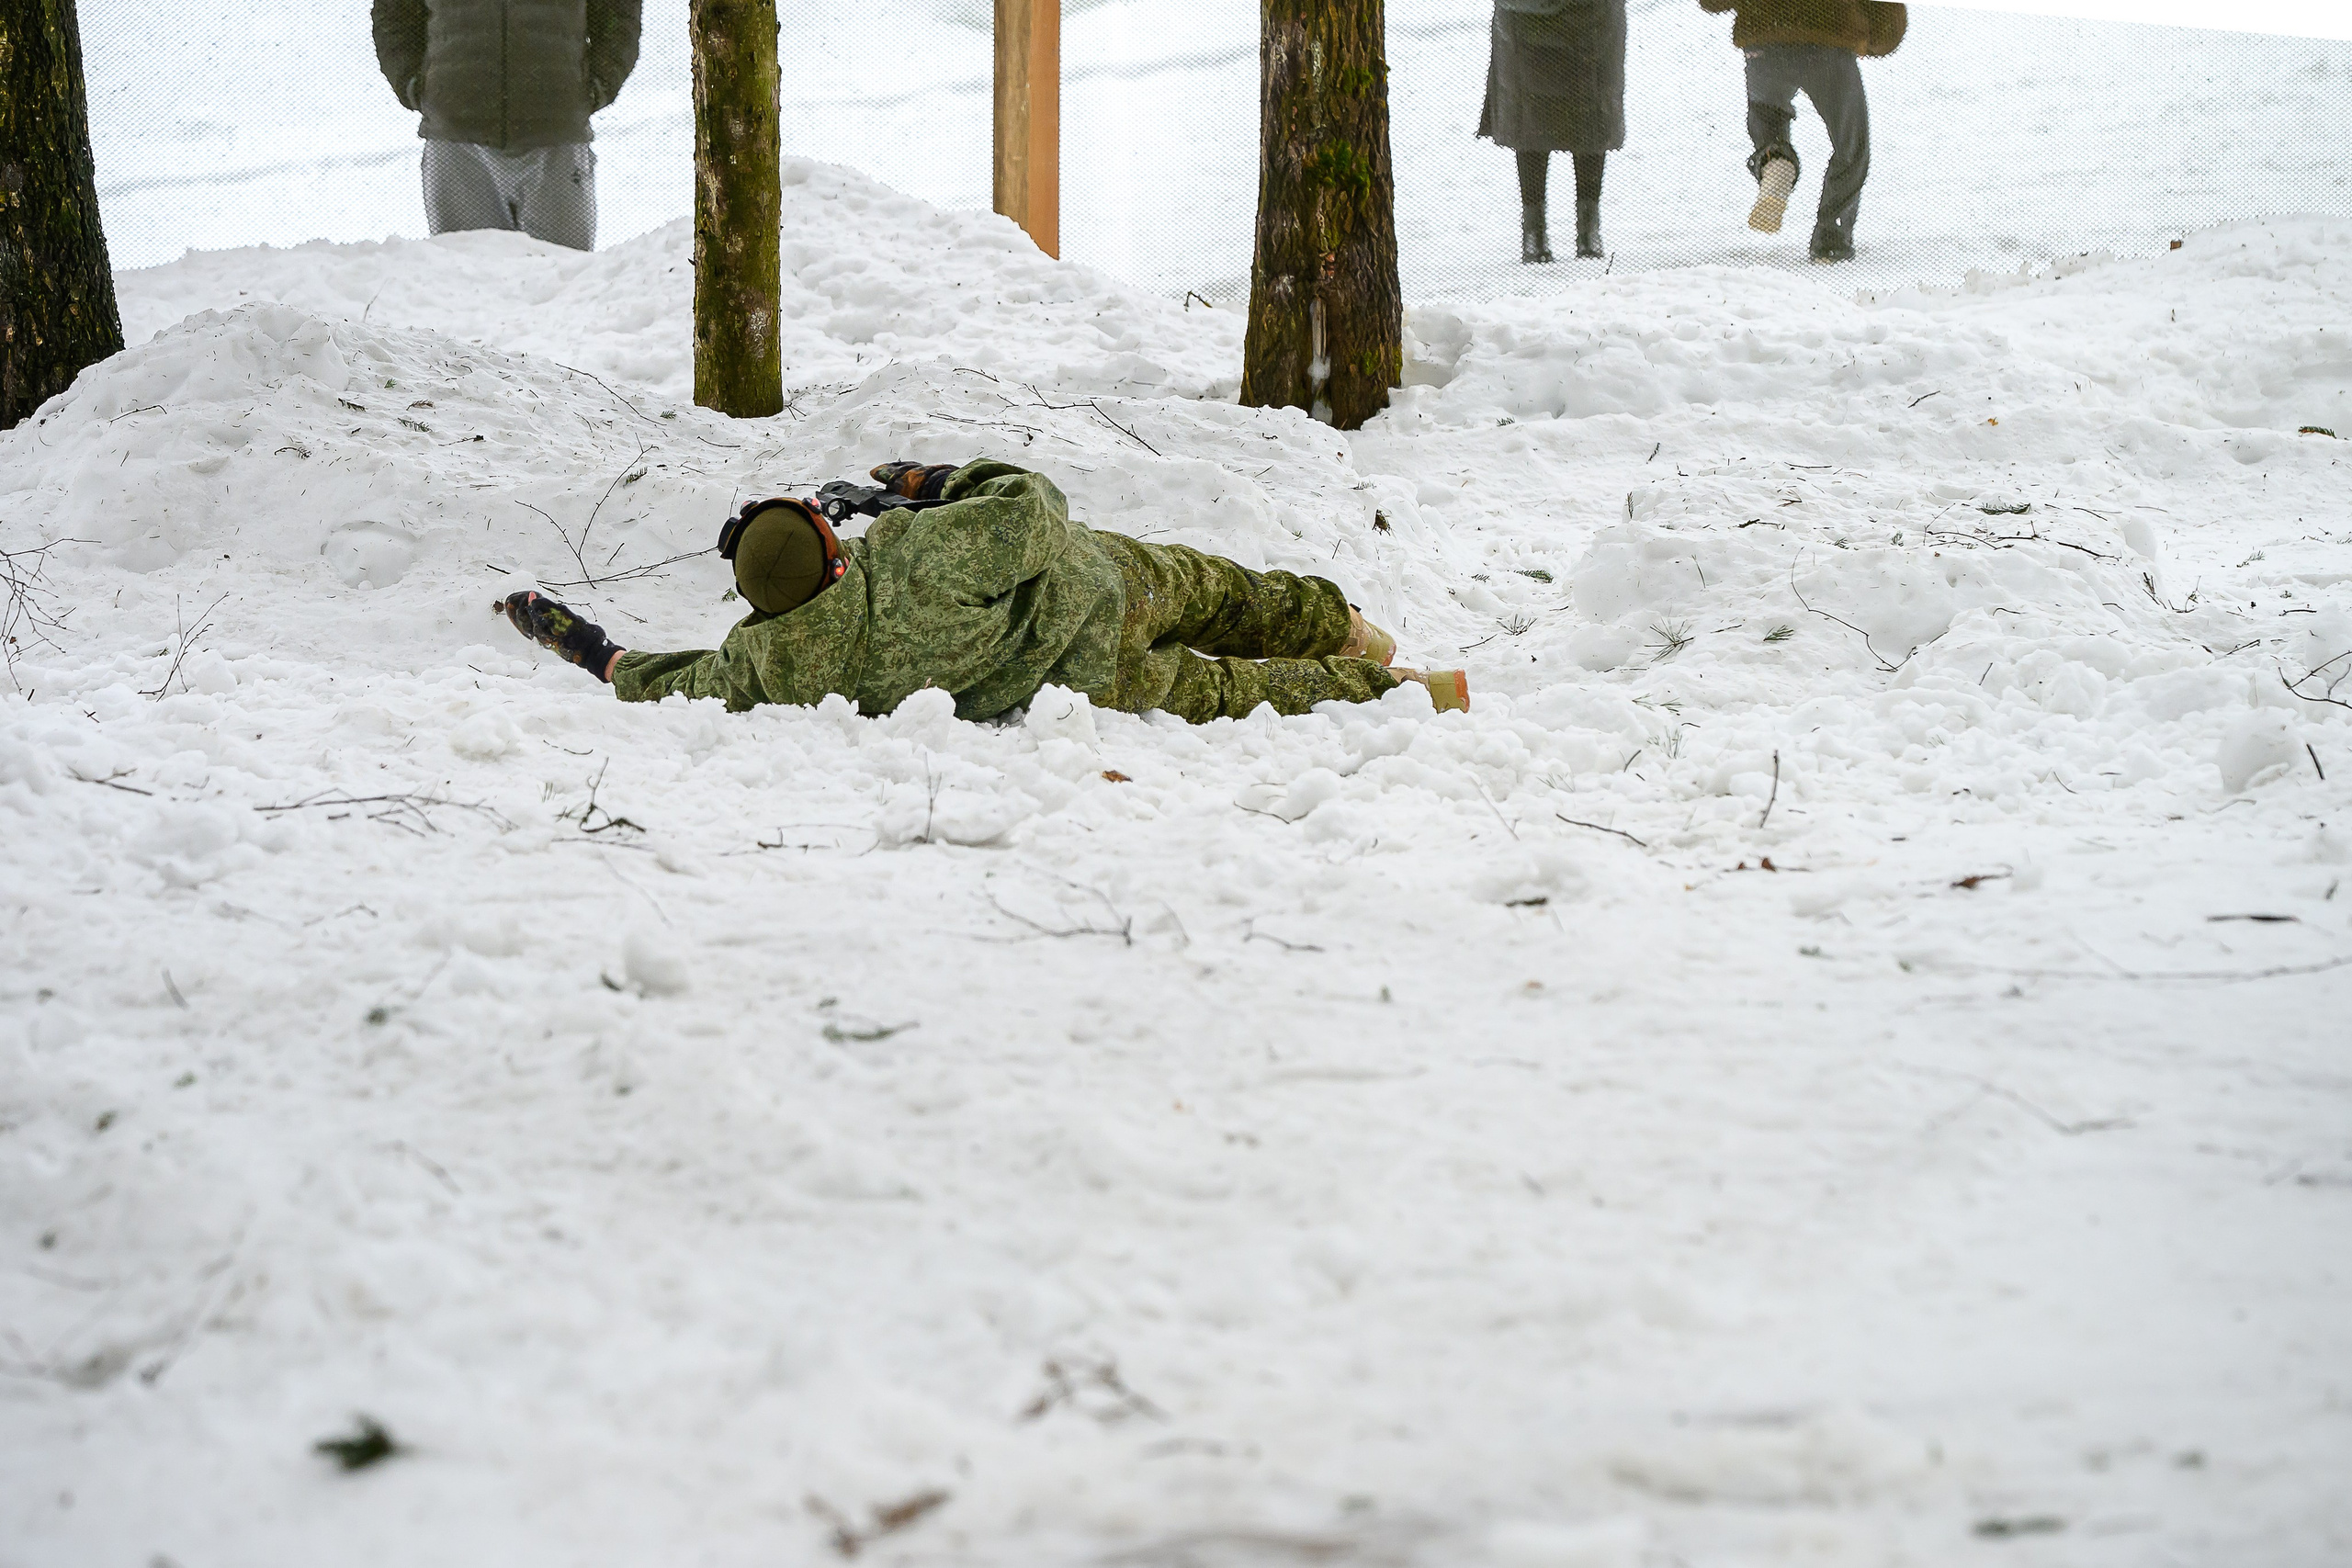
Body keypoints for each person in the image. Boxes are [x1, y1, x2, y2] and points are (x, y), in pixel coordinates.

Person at [495, 461, 1471, 724]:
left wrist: (588, 649)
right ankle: (1349, 630)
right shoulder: (913, 558)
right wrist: (938, 482)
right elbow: (1035, 514)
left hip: (1087, 689)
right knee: (1223, 596)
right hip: (1110, 591)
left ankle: (1411, 694)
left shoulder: (775, 663)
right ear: (836, 555)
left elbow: (676, 679)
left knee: (1237, 695)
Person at [370, 0, 643, 252]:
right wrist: (414, 85)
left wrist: (599, 85)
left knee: (563, 282)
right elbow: (394, 14)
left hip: (556, 135)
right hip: (458, 142)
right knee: (463, 283)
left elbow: (618, 14)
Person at [1697, 0, 1905, 262]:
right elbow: (1888, 13)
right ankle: (1831, 241)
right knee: (1851, 146)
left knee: (1767, 116)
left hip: (1764, 43)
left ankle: (1776, 159)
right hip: (1830, 41)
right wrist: (1874, 39)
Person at [1478, 0, 1629, 262]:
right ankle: (1535, 232)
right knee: (1531, 122)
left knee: (1590, 117)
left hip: (1592, 21)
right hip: (1526, 19)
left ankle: (1587, 230)